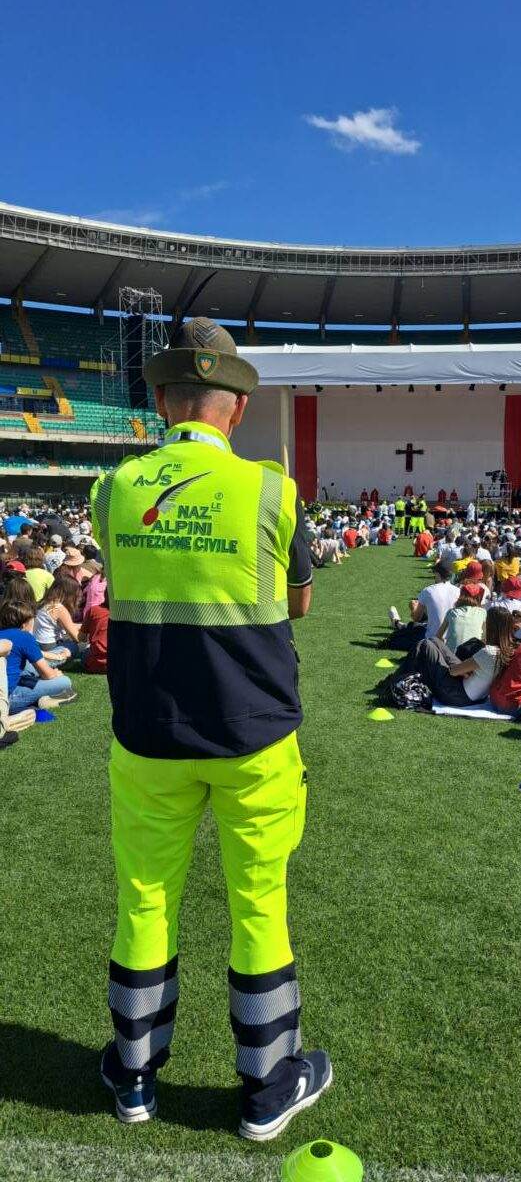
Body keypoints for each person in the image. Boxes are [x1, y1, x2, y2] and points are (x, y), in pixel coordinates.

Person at [91, 318, 330, 1139]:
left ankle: (132, 1080)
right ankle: (266, 1091)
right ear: (236, 407)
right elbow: (298, 600)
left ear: (162, 401)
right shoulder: (271, 487)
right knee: (259, 904)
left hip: (147, 730)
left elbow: (126, 577)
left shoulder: (114, 487)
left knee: (144, 899)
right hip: (254, 734)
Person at [410, 607, 516, 706]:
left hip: (457, 695)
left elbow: (453, 672)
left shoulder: (489, 652)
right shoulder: (510, 650)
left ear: (491, 627)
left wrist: (461, 670)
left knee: (426, 644)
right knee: (435, 641)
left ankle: (406, 678)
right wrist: (464, 670)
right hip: (478, 694)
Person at [0, 594, 76, 714]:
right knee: (64, 681)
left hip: (7, 686)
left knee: (27, 667)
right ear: (25, 622)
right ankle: (42, 699)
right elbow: (48, 675)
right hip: (7, 698)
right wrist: (55, 673)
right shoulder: (25, 637)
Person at [34, 575, 83, 658]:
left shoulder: (42, 603)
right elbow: (77, 637)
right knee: (74, 646)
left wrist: (83, 626)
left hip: (37, 644)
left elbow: (68, 625)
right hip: (50, 646)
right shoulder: (59, 608)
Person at [438, 583, 487, 651]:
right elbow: (485, 638)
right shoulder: (482, 612)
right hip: (473, 656)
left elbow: (438, 636)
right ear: (479, 598)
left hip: (452, 656)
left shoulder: (452, 612)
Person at [79, 591, 109, 674]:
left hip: (94, 664)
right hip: (118, 665)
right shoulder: (125, 614)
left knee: (80, 647)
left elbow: (81, 638)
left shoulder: (93, 610)